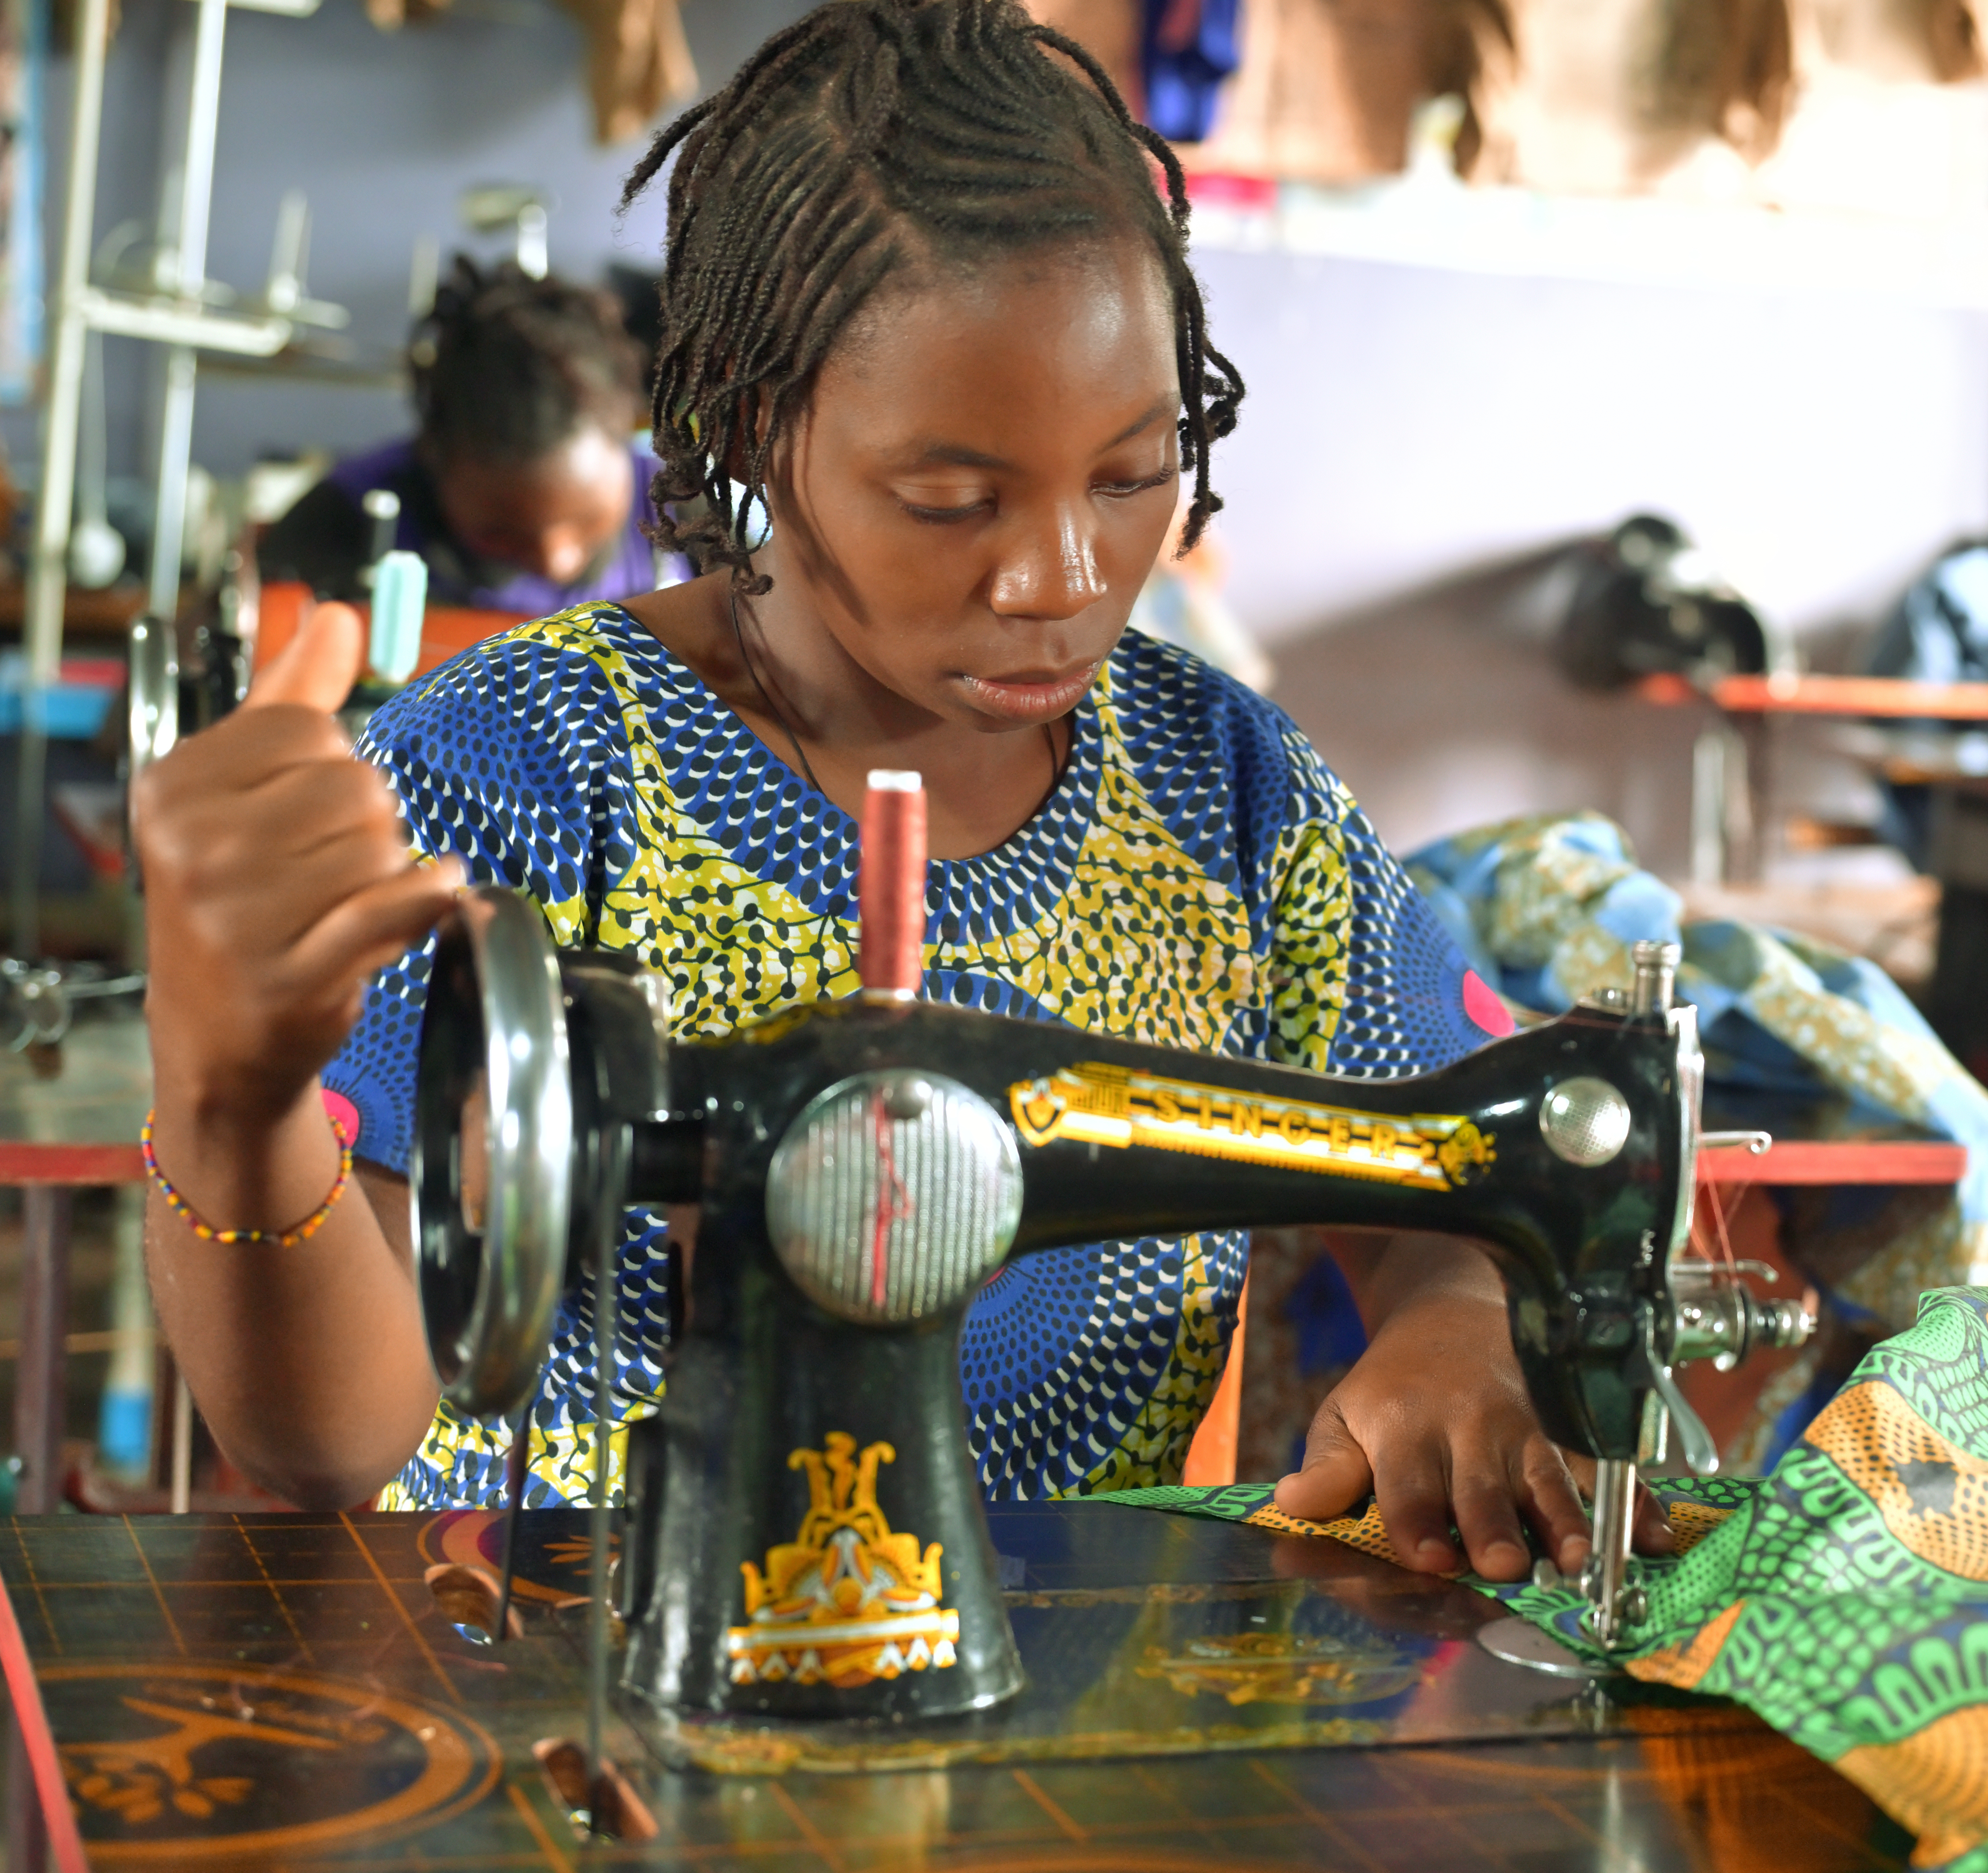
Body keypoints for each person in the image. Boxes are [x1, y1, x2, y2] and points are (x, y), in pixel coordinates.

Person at [133, 0, 1662, 1583]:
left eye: (1134, 474)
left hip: (1058, 1754)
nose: (1064, 578)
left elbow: (1429, 1176)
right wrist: (233, 1105)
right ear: (745, 423)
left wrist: (1454, 1318)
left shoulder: (1231, 795)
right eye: (950, 500)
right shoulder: (518, 776)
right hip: (566, 1708)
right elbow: (331, 1439)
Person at [256, 258, 683, 614]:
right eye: (502, 532)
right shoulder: (340, 523)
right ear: (433, 458)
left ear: (630, 431)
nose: (558, 563)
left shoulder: (691, 512)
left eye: (589, 522)